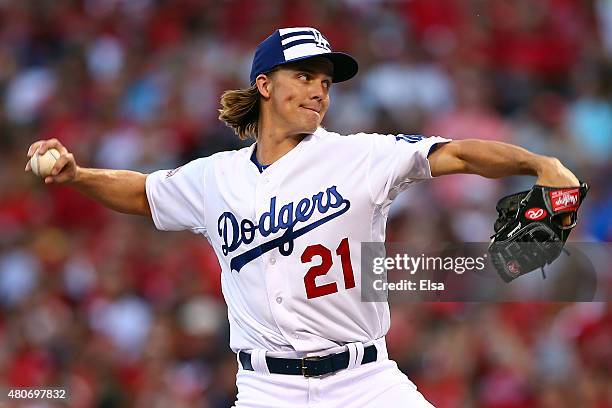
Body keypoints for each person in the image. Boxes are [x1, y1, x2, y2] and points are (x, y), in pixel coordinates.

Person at [25, 27, 579, 407]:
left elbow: (455, 153)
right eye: (304, 76)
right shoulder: (216, 176)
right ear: (264, 85)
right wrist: (80, 176)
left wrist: (536, 160)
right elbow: (146, 194)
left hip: (365, 381)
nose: (318, 89)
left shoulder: (360, 155)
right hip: (269, 391)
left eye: (325, 81)